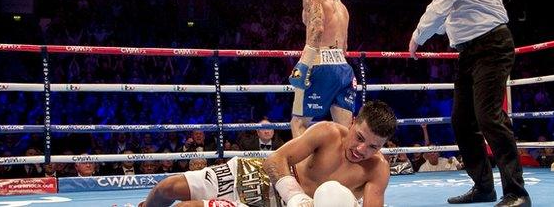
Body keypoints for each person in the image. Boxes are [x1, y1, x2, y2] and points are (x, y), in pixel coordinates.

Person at [408, 0, 530, 206]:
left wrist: (418, 36)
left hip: (490, 46)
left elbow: (439, 7)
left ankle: (517, 192)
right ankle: (484, 187)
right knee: (462, 120)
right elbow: (446, 16)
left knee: (489, 117)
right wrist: (428, 30)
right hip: (471, 51)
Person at [138, 100, 397, 207]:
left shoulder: (376, 169)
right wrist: (297, 197)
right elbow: (276, 159)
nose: (361, 150)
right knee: (167, 187)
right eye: (360, 138)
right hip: (260, 176)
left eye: (373, 146)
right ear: (352, 123)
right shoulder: (328, 133)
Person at [289, 0, 356, 138]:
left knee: (298, 122)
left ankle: (301, 167)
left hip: (319, 64)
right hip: (344, 69)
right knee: (344, 131)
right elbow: (345, 47)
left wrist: (304, 64)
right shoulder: (341, 5)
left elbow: (317, 29)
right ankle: (343, 167)